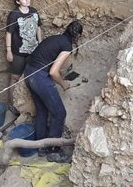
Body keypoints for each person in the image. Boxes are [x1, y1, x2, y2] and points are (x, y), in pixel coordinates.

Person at [24, 20, 83, 163]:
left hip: (29, 73)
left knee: (42, 111)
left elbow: (47, 61)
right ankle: (54, 151)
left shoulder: (55, 38)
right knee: (60, 113)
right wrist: (64, 84)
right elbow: (53, 72)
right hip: (39, 78)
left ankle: (41, 147)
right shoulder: (66, 46)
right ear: (78, 36)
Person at [5, 0, 42, 111]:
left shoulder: (34, 12)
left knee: (32, 76)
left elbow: (38, 28)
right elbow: (9, 34)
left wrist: (40, 43)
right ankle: (11, 104)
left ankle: (28, 104)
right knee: (15, 78)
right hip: (19, 53)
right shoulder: (14, 15)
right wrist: (9, 51)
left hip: (33, 51)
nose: (27, 0)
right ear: (18, 1)